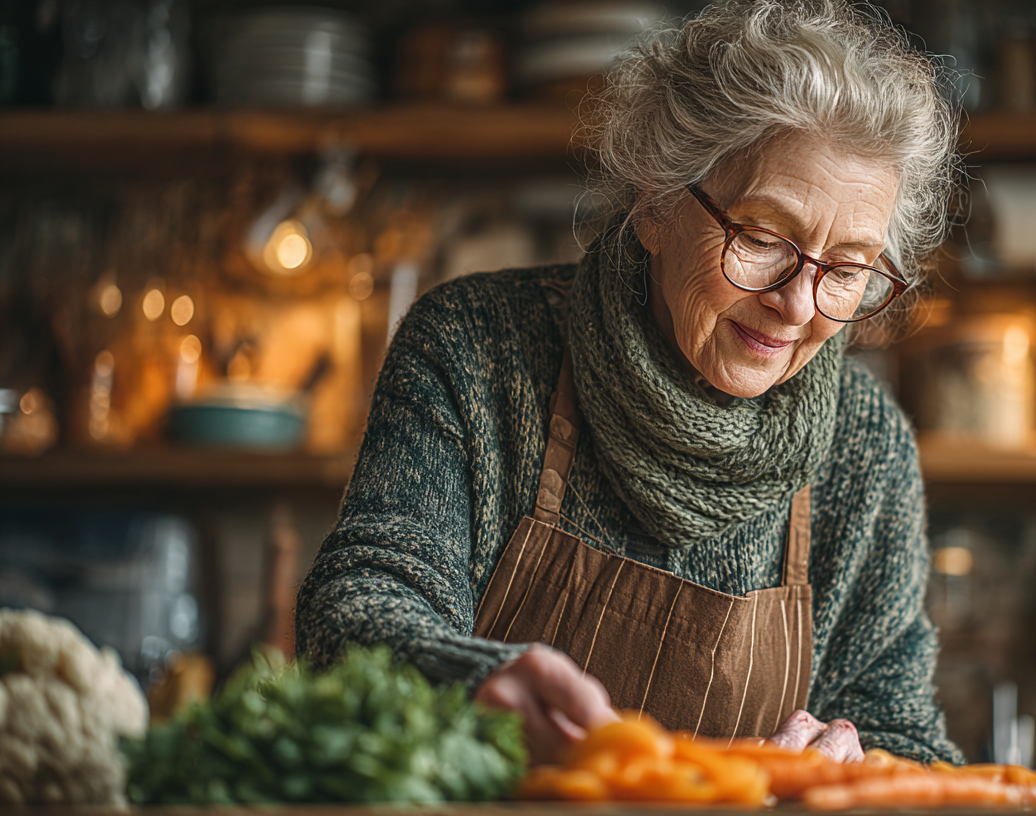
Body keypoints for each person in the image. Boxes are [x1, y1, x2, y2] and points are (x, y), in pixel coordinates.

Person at [295, 0, 963, 766]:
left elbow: (906, 741)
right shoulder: (478, 348)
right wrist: (475, 686)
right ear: (655, 201)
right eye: (763, 238)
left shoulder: (865, 446)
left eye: (845, 270)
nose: (797, 304)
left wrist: (858, 761)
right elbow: (355, 609)